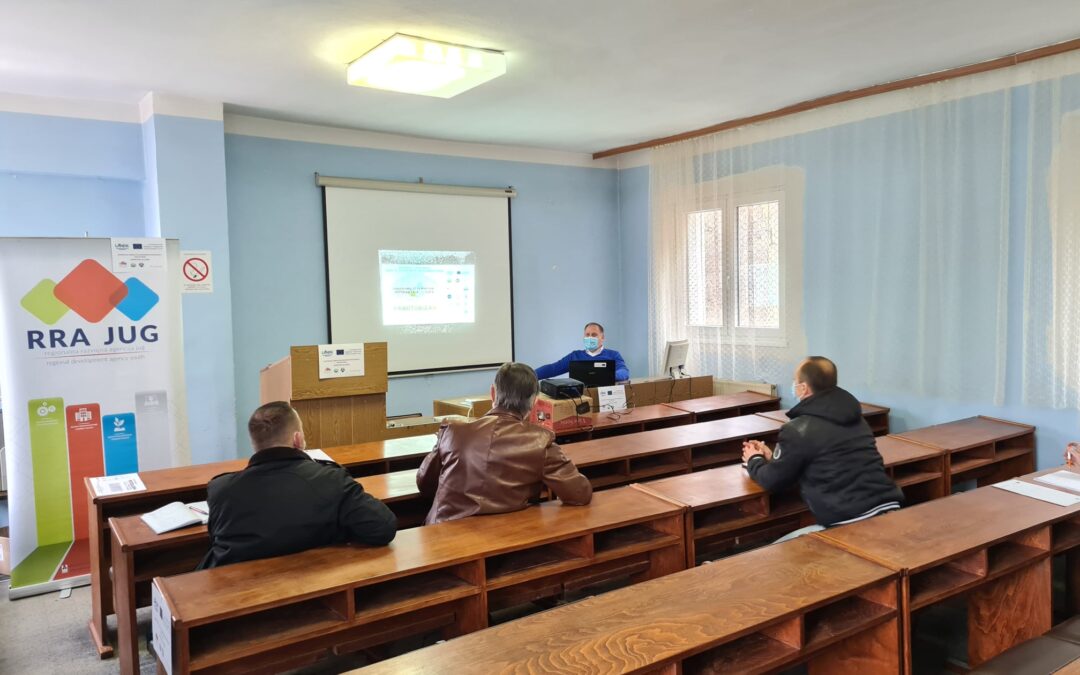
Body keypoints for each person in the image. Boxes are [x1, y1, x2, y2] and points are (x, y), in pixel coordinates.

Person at [199, 401, 397, 568]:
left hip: (237, 598)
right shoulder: (330, 480)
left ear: (254, 444)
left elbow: (216, 540)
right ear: (297, 439)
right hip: (318, 587)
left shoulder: (221, 490)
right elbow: (384, 527)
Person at [741, 356, 903, 541]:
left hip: (849, 521)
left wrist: (754, 459)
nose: (794, 385)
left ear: (803, 388)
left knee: (773, 552)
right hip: (889, 507)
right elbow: (825, 458)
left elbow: (773, 480)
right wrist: (773, 459)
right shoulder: (857, 419)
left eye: (795, 381)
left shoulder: (798, 429)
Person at [417, 362, 593, 524]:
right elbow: (579, 493)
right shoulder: (540, 440)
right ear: (534, 402)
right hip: (504, 539)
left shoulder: (452, 431)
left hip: (442, 533)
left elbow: (425, 484)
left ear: (493, 393)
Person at [535, 322, 630, 382]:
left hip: (605, 398)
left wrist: (604, 375)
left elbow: (624, 372)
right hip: (580, 399)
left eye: (594, 335)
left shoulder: (613, 355)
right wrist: (530, 375)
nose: (590, 337)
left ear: (602, 338)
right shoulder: (575, 356)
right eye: (587, 335)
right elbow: (553, 368)